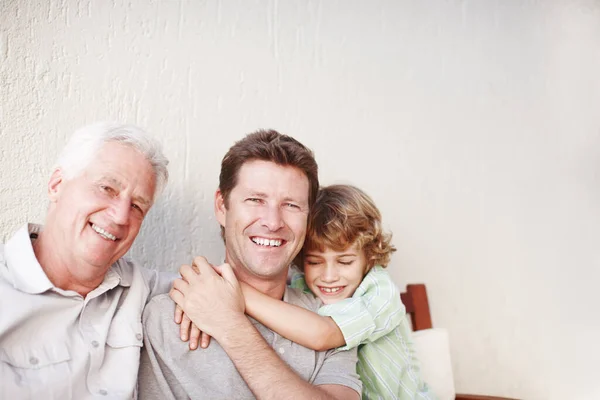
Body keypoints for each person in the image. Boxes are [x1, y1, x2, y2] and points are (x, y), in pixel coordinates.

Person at [138, 130, 362, 399]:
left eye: (291, 205)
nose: (273, 222)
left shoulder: (332, 319)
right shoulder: (168, 317)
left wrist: (230, 325)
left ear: (308, 218)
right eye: (256, 200)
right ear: (222, 206)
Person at [0, 122, 173, 399]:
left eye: (137, 206)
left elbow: (227, 288)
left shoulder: (142, 289)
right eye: (106, 188)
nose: (120, 216)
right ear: (56, 185)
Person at [239, 185, 435, 399]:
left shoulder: (380, 292)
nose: (329, 276)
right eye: (314, 262)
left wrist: (237, 292)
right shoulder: (300, 284)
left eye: (344, 261)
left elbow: (323, 334)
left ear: (369, 257)